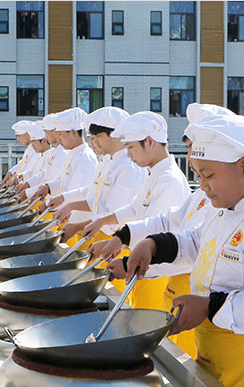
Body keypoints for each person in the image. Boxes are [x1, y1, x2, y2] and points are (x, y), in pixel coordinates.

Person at [124, 114, 244, 387]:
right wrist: (154, 245)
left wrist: (210, 306)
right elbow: (195, 242)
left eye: (209, 175)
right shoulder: (221, 209)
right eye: (197, 174)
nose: (203, 186)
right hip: (213, 354)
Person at [95, 103, 236, 357]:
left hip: (199, 303)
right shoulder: (203, 194)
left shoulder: (173, 180)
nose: (190, 159)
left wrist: (210, 306)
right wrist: (126, 236)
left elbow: (196, 250)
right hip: (185, 297)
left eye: (195, 150)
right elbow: (177, 228)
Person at [81, 111, 191, 310]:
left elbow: (157, 232)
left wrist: (120, 248)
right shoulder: (155, 174)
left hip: (154, 272)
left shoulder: (168, 180)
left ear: (149, 141)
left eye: (130, 147)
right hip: (142, 267)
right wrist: (103, 224)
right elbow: (135, 209)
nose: (128, 154)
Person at [50, 107, 145, 248]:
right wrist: (69, 205)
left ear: (114, 134)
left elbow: (113, 217)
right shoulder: (107, 161)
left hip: (113, 242)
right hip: (96, 233)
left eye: (97, 137)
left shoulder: (128, 167)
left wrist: (78, 226)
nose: (92, 142)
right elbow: (95, 200)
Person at [32, 107, 98, 240]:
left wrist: (51, 203)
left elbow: (76, 192)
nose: (58, 139)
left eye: (60, 135)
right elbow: (63, 182)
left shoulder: (84, 157)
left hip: (77, 224)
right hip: (67, 218)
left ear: (73, 132)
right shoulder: (73, 153)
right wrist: (48, 187)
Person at [15, 114, 68, 202]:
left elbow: (52, 180)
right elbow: (42, 175)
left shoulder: (62, 153)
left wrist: (27, 192)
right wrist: (25, 182)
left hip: (52, 203)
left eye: (46, 132)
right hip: (46, 201)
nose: (46, 135)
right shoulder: (55, 153)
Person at [1, 120, 40, 187]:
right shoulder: (29, 149)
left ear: (27, 134)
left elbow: (30, 171)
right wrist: (11, 172)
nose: (18, 139)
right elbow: (22, 164)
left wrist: (16, 178)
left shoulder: (36, 151)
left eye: (19, 136)